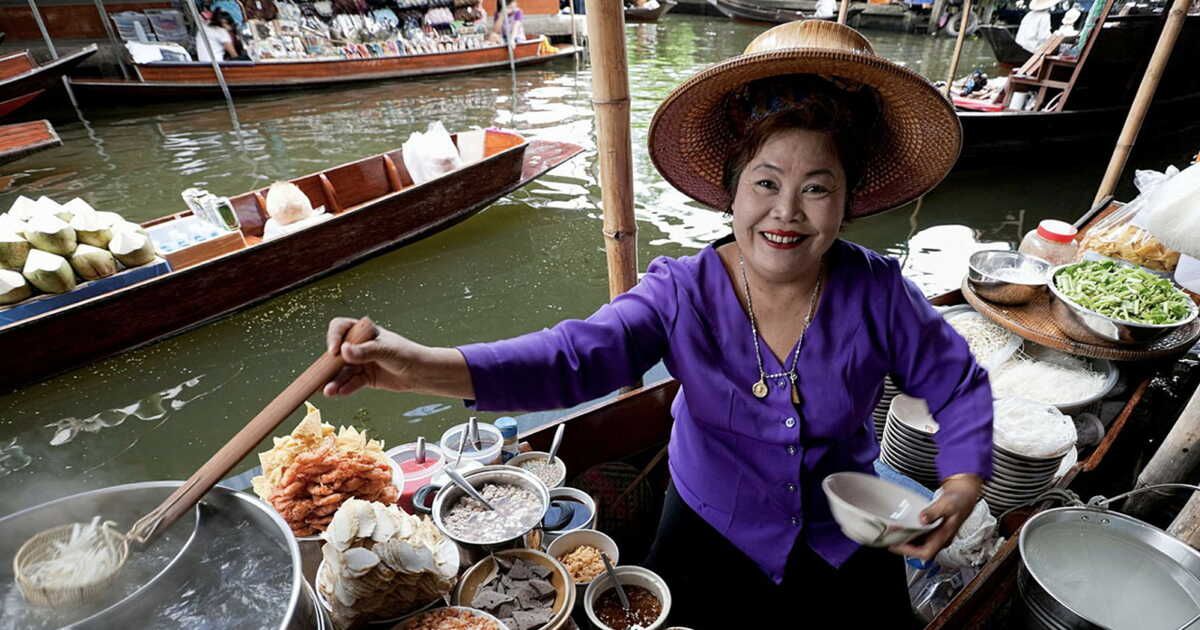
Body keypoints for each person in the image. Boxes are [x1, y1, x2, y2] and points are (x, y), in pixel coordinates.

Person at [324, 20, 991, 628]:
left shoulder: (878, 291)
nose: (786, 212)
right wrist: (418, 365)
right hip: (706, 528)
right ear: (731, 190)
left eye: (817, 187)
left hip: (845, 536)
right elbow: (572, 359)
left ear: (847, 201)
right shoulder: (682, 290)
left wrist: (961, 484)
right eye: (765, 183)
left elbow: (959, 385)